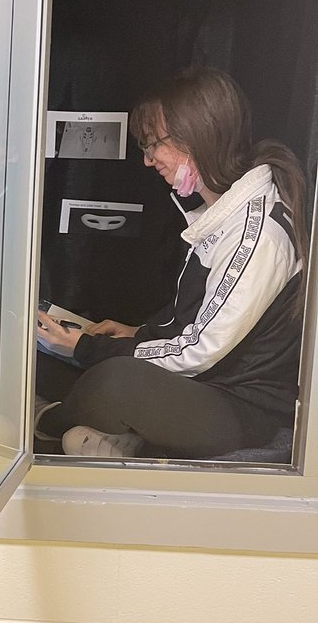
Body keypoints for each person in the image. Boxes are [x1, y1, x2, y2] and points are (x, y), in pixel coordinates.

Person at [35, 67, 309, 460]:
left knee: (113, 378)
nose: (148, 161)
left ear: (195, 139)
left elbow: (202, 351)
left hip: (239, 406)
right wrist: (136, 333)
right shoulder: (224, 214)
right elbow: (194, 316)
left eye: (152, 146)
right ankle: (114, 434)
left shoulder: (257, 233)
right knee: (55, 358)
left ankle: (48, 422)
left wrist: (89, 348)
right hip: (208, 384)